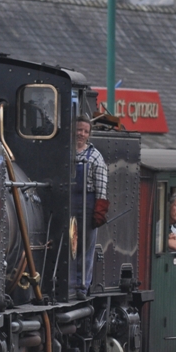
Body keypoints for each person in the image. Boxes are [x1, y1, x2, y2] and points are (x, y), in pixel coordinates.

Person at [71, 115, 108, 298]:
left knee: (85, 247)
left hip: (87, 202)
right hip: (68, 201)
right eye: (79, 130)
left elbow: (101, 187)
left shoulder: (95, 157)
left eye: (85, 131)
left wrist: (99, 210)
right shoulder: (66, 153)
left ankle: (82, 286)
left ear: (89, 135)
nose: (81, 134)